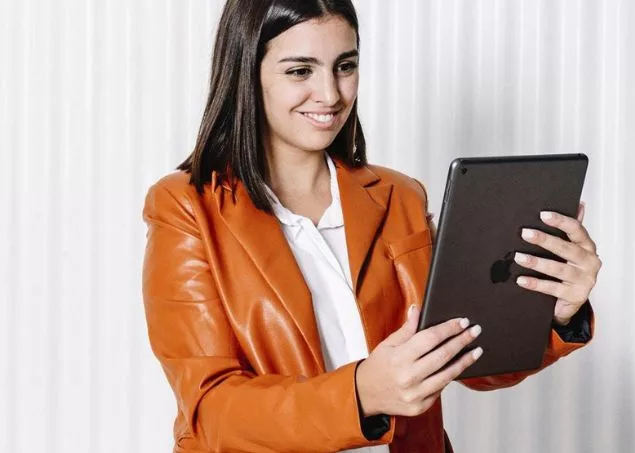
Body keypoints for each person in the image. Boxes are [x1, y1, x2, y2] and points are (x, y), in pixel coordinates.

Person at [141, 1, 601, 452]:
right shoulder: (186, 207)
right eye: (300, 71)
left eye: (345, 66)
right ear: (247, 72)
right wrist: (362, 394)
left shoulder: (400, 196)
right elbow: (211, 409)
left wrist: (555, 313)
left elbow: (466, 354)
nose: (330, 94)